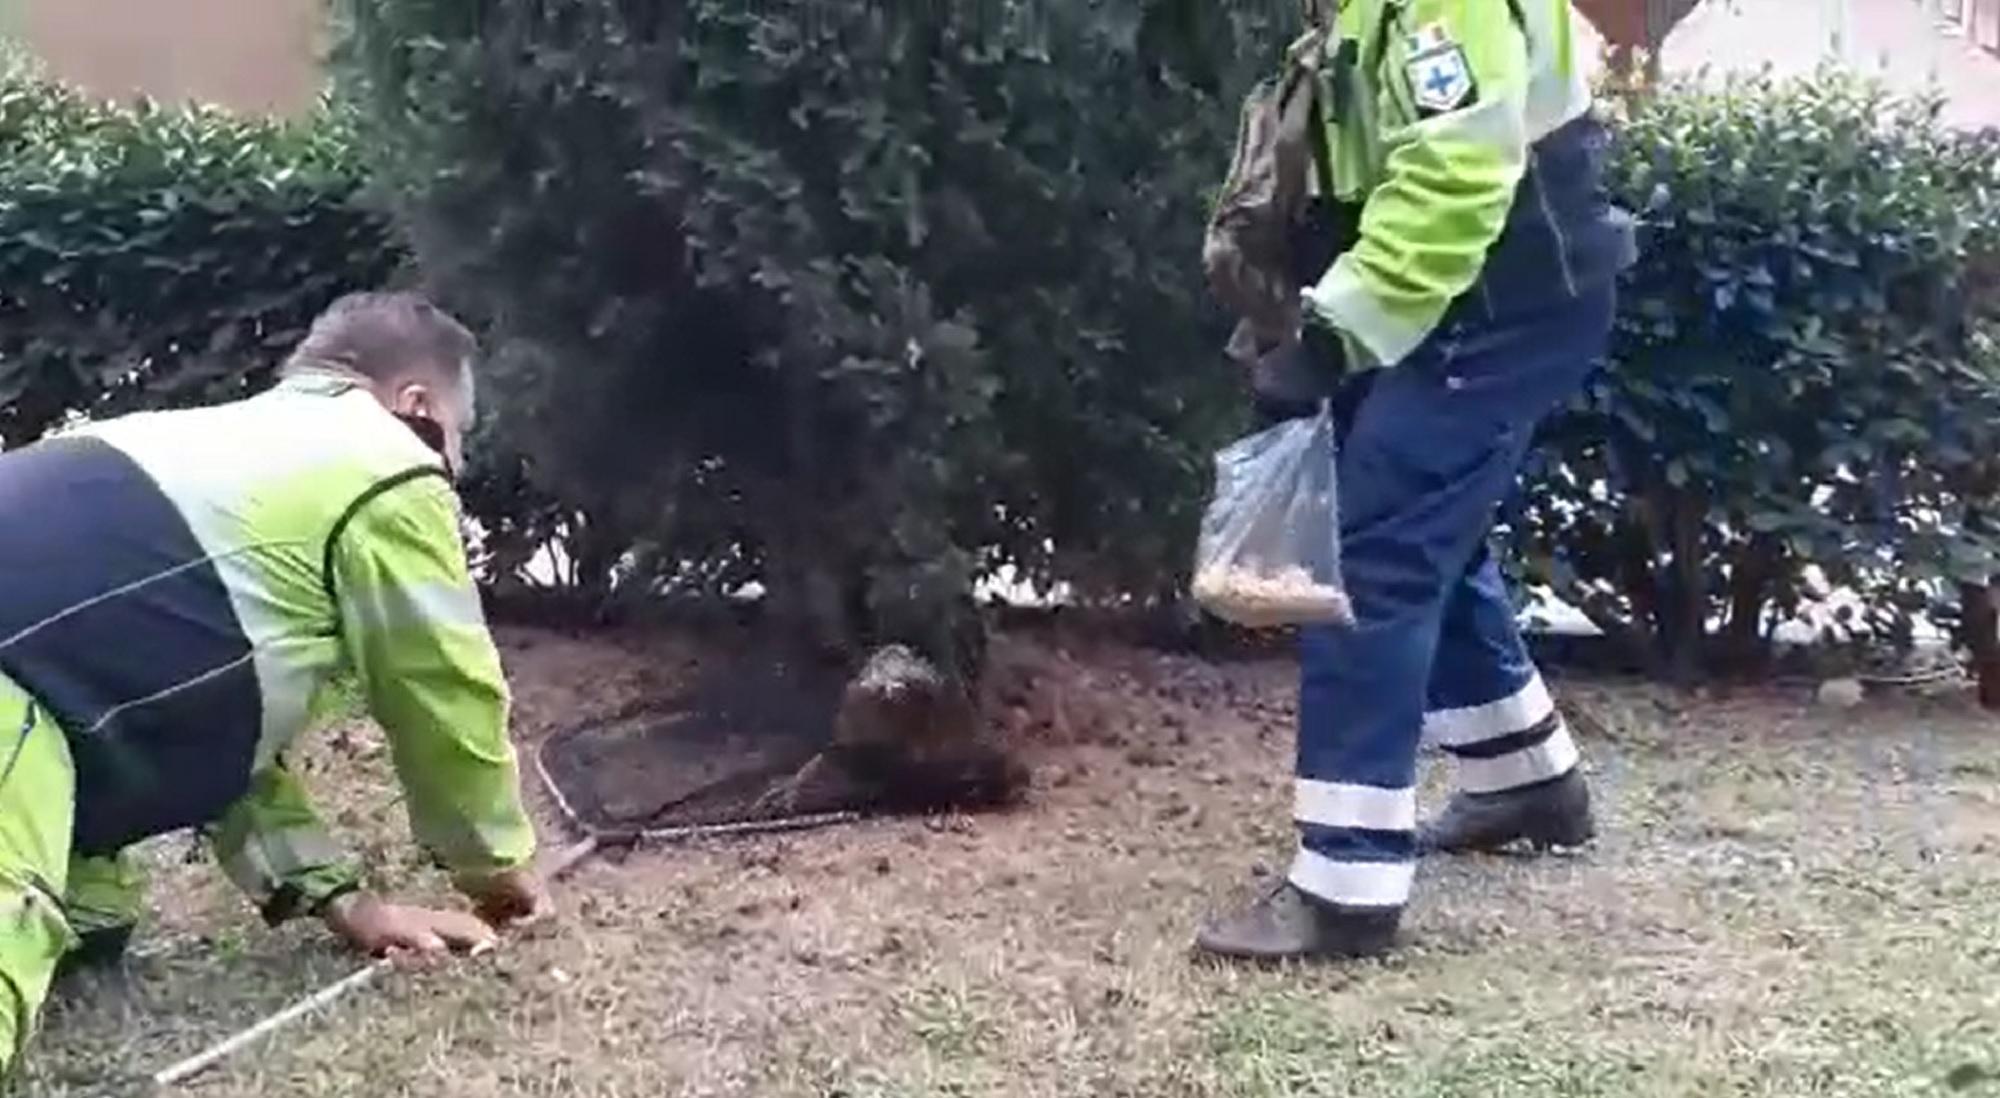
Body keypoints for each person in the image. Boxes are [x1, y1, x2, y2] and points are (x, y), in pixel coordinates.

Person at [0, 292, 550, 1074]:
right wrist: (496, 868)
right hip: (14, 695)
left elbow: (216, 736)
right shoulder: (385, 466)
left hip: (48, 689)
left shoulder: (210, 456)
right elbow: (443, 688)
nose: (451, 466)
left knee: (93, 913)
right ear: (417, 406)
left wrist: (348, 902)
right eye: (455, 438)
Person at [1195, 0, 1637, 961]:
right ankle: (1526, 779)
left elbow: (1453, 179)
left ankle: (1345, 888)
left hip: (1498, 301)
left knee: (1376, 554)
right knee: (1428, 530)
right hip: (1454, 292)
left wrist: (1334, 336)